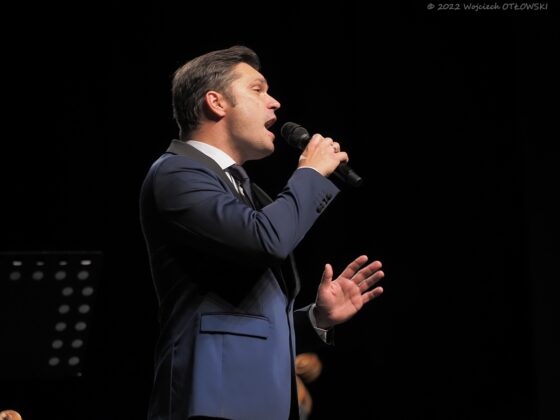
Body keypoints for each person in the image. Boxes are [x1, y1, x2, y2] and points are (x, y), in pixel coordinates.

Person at [139, 45, 385, 420]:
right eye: (257, 89)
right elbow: (266, 240)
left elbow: (245, 318)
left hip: (259, 401)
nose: (274, 102)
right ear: (216, 103)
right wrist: (310, 173)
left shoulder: (244, 189)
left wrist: (317, 318)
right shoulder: (177, 172)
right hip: (212, 400)